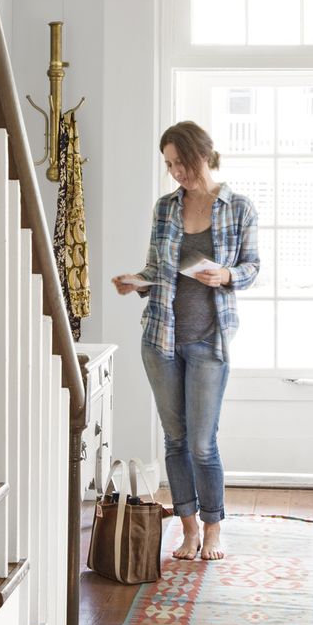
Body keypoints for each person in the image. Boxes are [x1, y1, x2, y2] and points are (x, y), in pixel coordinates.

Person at [112, 121, 259, 561]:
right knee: (174, 440)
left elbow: (252, 266)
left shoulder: (239, 208)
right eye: (170, 165)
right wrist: (134, 281)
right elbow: (157, 270)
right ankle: (189, 530)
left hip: (209, 340)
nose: (176, 172)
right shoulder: (165, 209)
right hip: (161, 338)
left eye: (182, 162)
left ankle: (214, 529)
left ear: (203, 154)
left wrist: (228, 275)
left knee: (201, 442)